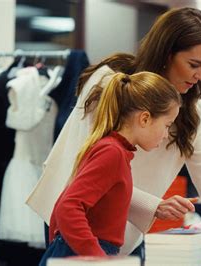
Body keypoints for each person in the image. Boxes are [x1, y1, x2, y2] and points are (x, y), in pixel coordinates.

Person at [27, 7, 201, 256]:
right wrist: (154, 205)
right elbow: (83, 172)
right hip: (78, 225)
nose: (200, 75)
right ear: (166, 54)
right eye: (194, 64)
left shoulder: (189, 111)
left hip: (122, 231)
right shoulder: (110, 84)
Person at [38, 72, 182, 266]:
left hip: (79, 251)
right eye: (167, 125)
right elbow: (68, 207)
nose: (166, 135)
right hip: (83, 254)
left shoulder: (116, 151)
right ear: (145, 119)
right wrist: (98, 259)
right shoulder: (111, 152)